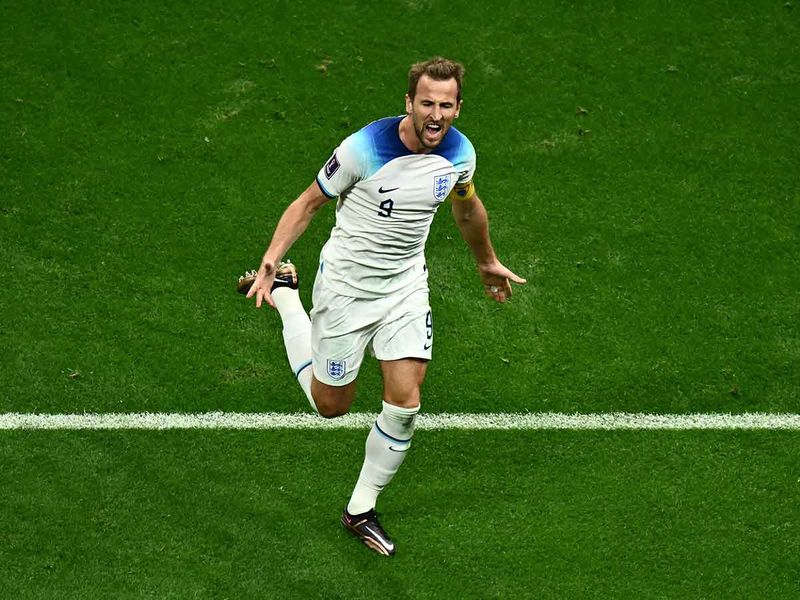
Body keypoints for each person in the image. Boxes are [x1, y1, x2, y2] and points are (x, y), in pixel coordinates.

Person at [238, 57, 525, 557]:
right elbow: (308, 203)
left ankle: (360, 509)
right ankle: (287, 296)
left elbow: (467, 208)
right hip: (347, 289)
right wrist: (270, 259)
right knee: (331, 406)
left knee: (405, 401)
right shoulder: (363, 148)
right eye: (427, 103)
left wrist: (487, 261)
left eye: (446, 105)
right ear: (409, 103)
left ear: (458, 107)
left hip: (405, 288)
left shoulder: (460, 155)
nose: (436, 115)